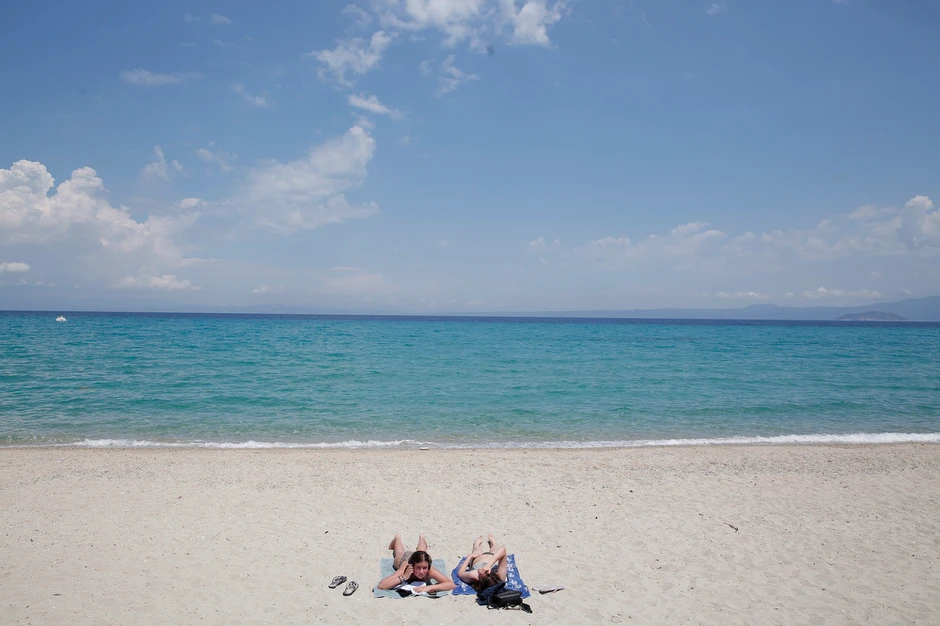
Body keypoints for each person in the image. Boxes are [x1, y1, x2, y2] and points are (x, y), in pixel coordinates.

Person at [377, 533, 456, 595]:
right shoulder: (405, 569)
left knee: (422, 553)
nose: (421, 572)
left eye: (424, 568)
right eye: (418, 568)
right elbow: (382, 585)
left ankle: (422, 538)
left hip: (418, 556)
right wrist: (403, 577)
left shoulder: (429, 570)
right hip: (405, 559)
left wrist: (430, 587)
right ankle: (397, 539)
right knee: (399, 553)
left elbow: (451, 584)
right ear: (412, 566)